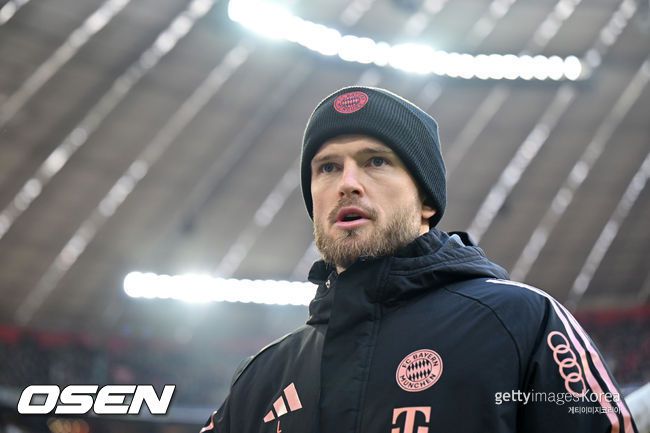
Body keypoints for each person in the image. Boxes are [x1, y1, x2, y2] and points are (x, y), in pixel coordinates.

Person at [200, 86, 638, 433]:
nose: (347, 183)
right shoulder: (262, 377)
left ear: (427, 201)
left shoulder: (522, 322)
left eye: (376, 161)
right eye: (327, 167)